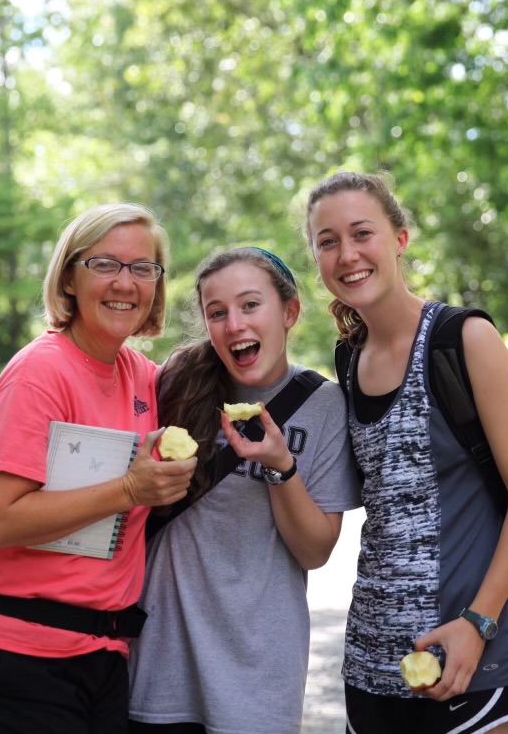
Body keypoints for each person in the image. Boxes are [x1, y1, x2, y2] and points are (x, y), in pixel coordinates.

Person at [304, 171, 508, 734]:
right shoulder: (348, 359)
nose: (347, 254)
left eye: (362, 233)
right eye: (328, 241)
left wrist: (478, 622)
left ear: (399, 239)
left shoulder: (464, 339)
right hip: (373, 665)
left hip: (481, 657)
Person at [0, 203, 197, 734]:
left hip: (100, 654)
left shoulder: (143, 377)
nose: (125, 282)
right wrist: (129, 489)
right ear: (69, 279)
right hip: (12, 655)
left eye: (142, 268)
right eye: (105, 264)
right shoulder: (40, 372)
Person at [128, 246, 362, 734]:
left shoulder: (323, 404)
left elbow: (315, 551)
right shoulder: (174, 386)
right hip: (159, 666)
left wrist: (280, 466)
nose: (234, 324)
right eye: (217, 313)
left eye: (251, 305)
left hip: (259, 674)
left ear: (289, 312)